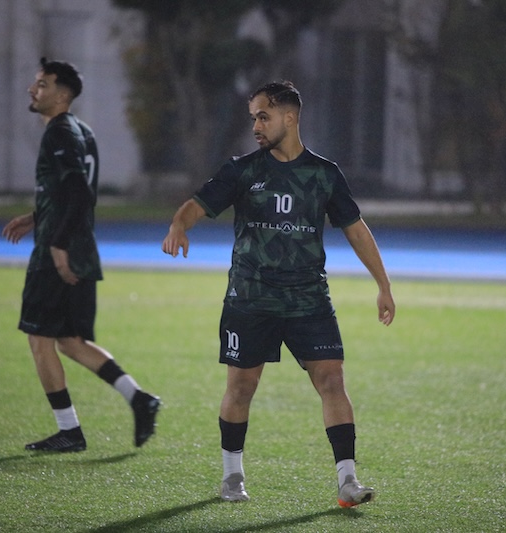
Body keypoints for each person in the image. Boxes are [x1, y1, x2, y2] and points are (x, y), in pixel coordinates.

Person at [162, 81, 395, 507]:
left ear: (290, 117)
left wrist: (383, 284)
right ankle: (232, 477)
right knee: (241, 387)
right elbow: (197, 204)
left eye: (263, 116)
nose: (256, 125)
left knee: (332, 380)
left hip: (308, 299)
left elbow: (356, 230)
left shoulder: (324, 174)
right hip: (251, 299)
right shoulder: (243, 170)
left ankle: (347, 481)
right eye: (253, 117)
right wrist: (179, 224)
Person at [3, 58, 160, 452]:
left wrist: (56, 244)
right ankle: (139, 398)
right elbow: (72, 192)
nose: (33, 89)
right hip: (82, 247)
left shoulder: (59, 133)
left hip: (60, 252)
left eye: (42, 84)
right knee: (70, 341)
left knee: (39, 339)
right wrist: (36, 216)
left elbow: (77, 192)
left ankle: (69, 431)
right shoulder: (82, 131)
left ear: (62, 95)